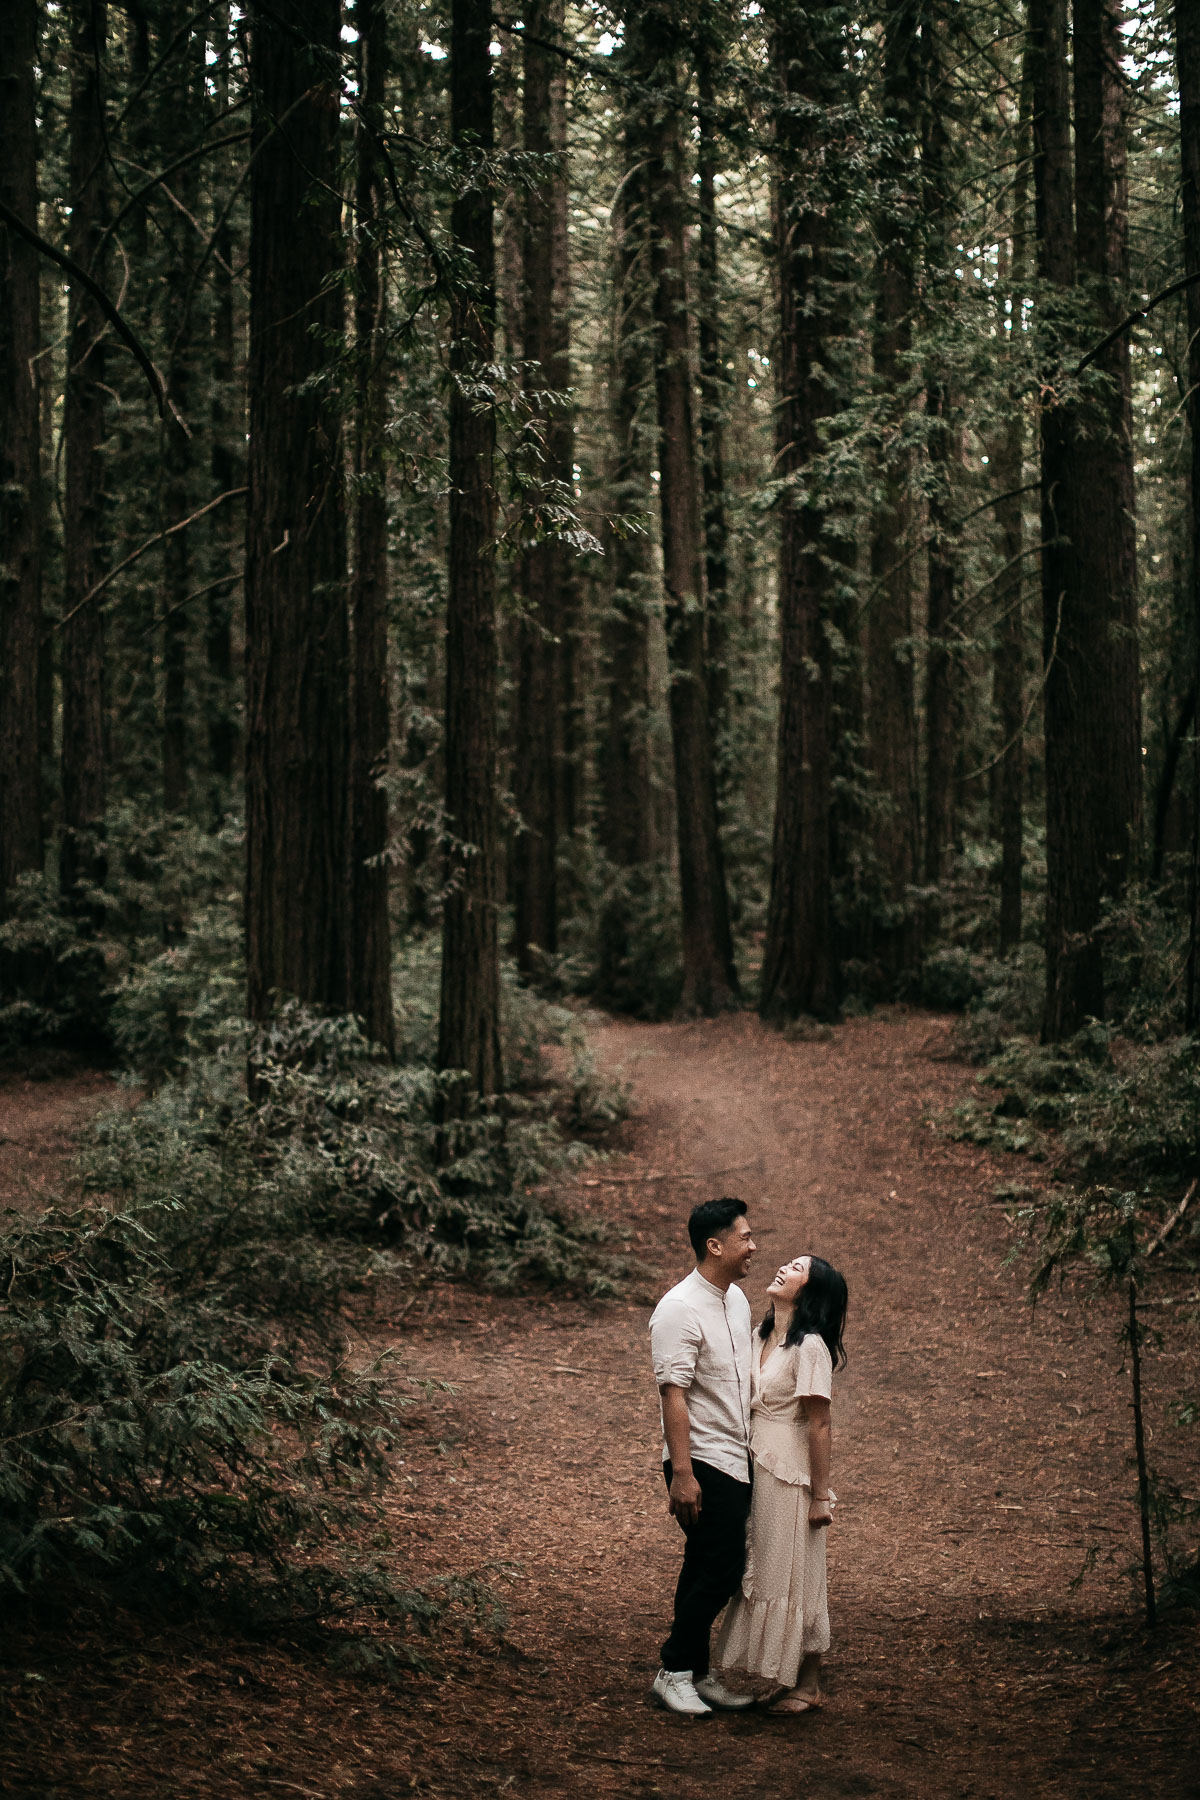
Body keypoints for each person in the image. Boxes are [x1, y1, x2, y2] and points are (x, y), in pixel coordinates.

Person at [711, 1252, 848, 1714]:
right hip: (751, 1462)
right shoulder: (761, 1335)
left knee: (797, 1572)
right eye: (788, 1262)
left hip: (789, 1472)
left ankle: (808, 1685)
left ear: (811, 1290)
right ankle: (790, 1678)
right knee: (760, 1564)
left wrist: (820, 1495)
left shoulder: (810, 1347)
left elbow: (821, 1424)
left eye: (797, 1268)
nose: (784, 1268)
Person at [648, 1197, 759, 1716]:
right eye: (744, 1237)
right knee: (723, 1567)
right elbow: (673, 1394)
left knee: (701, 1566)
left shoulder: (736, 1299)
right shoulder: (677, 1309)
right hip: (702, 1460)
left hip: (738, 1455)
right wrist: (683, 1474)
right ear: (715, 1245)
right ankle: (673, 1669)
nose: (752, 1246)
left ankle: (697, 1672)